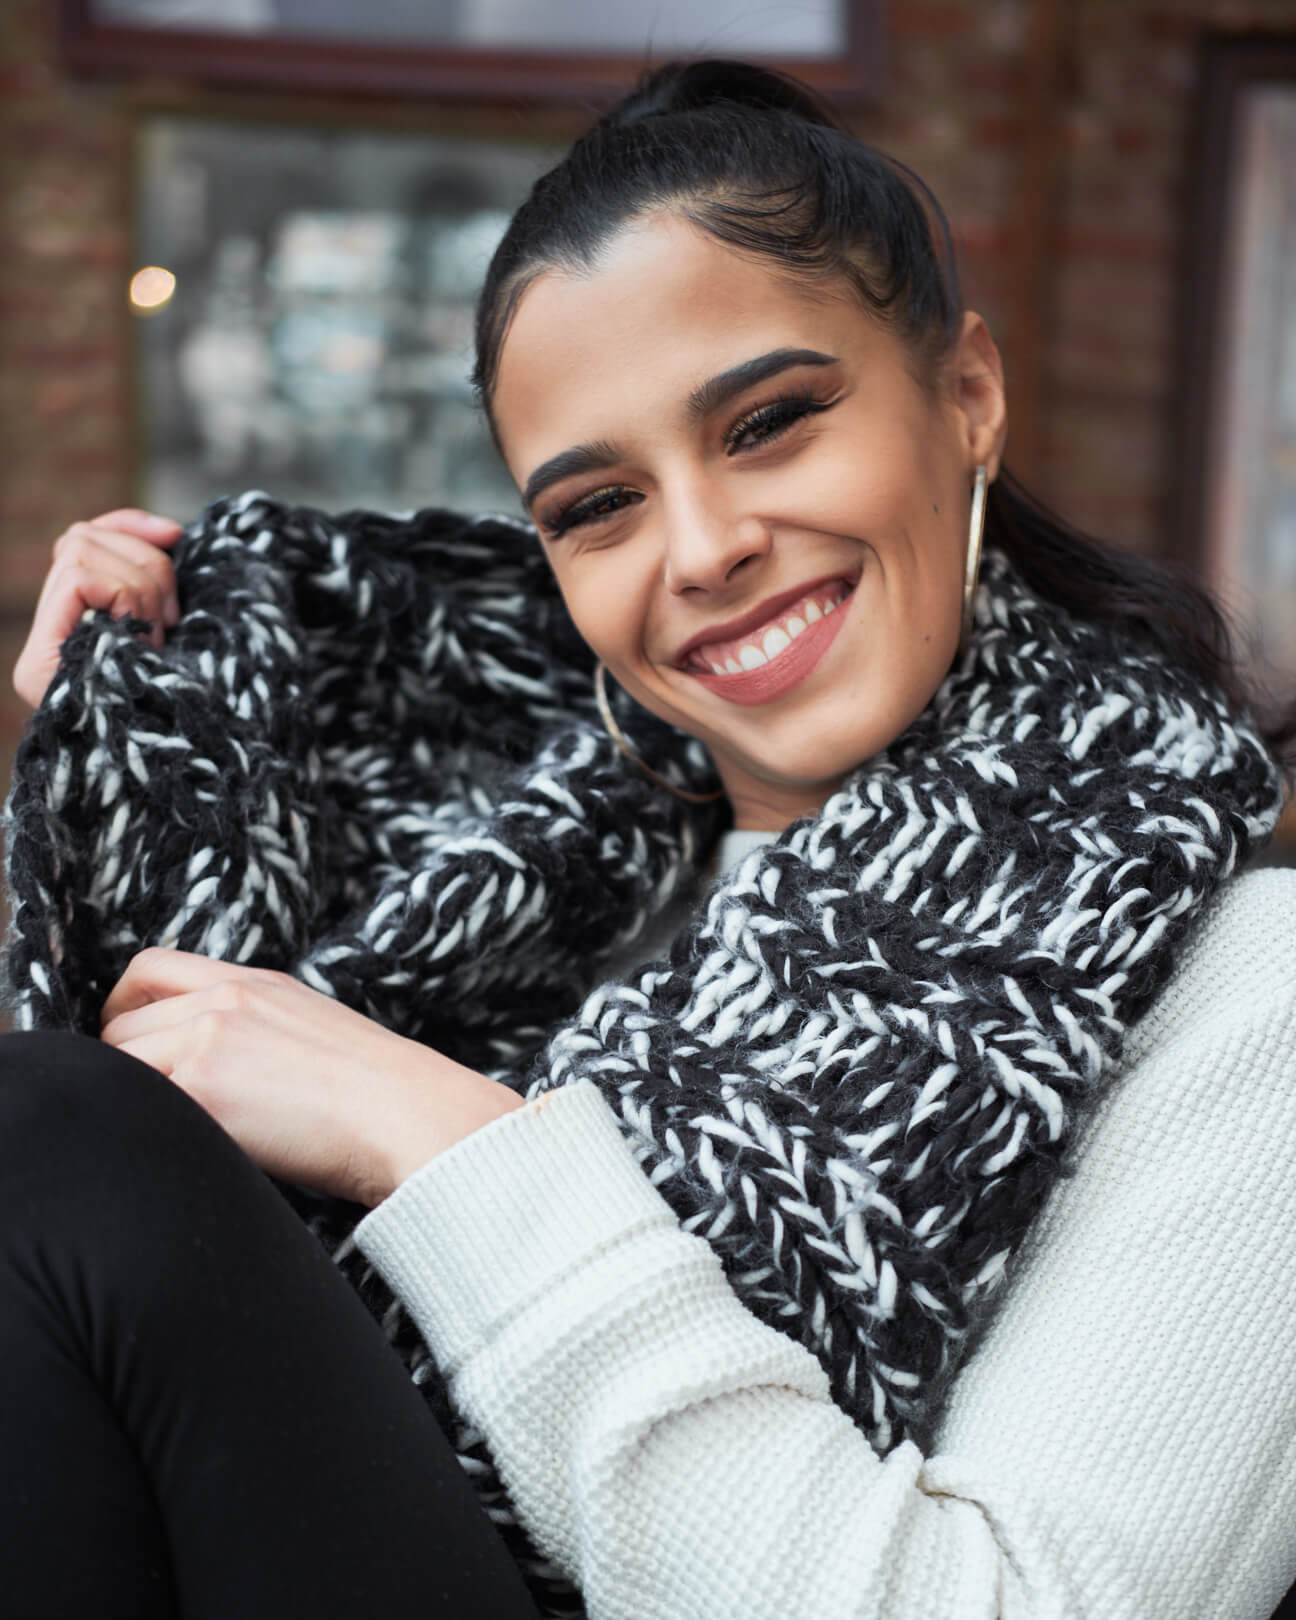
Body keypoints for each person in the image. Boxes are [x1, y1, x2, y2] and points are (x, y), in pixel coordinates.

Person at [5, 58, 1296, 1620]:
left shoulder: (1247, 990)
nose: (703, 549)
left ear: (967, 395)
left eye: (769, 423)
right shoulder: (527, 875)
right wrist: (166, 697)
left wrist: (445, 1143)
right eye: (598, 506)